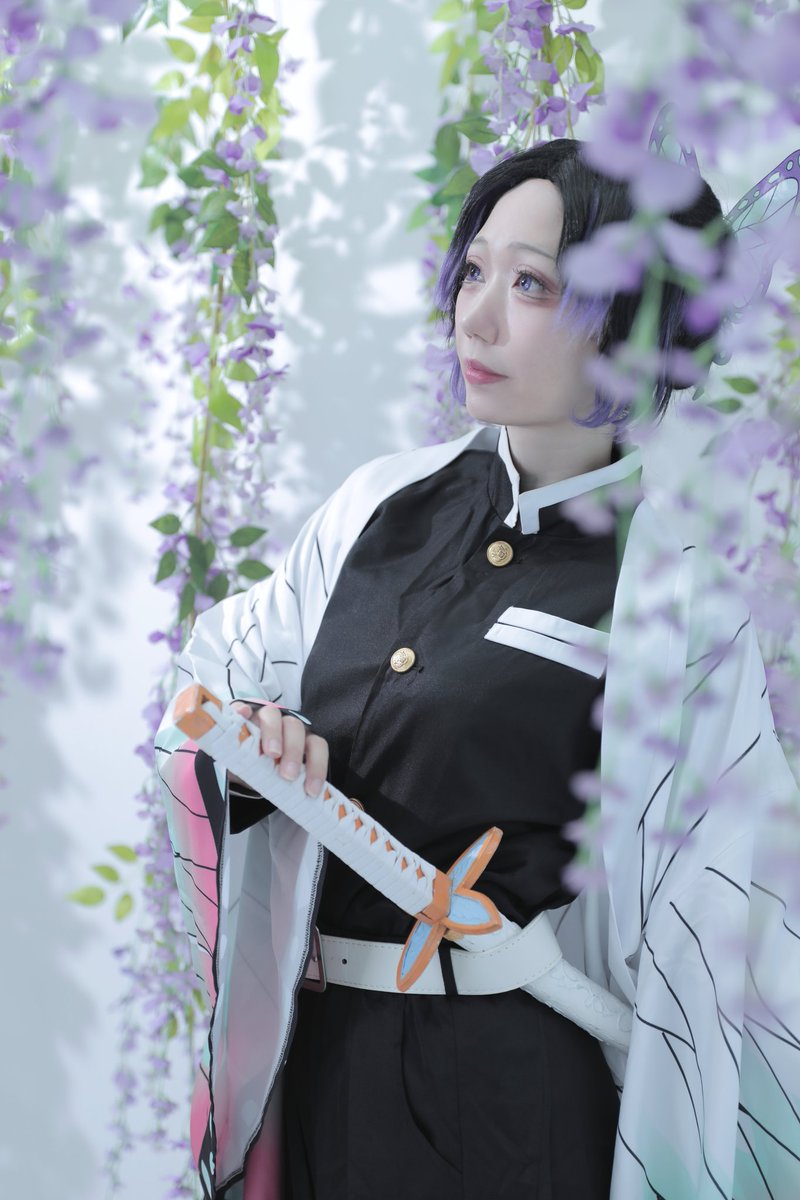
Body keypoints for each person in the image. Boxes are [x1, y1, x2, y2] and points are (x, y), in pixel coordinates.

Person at [155, 139, 800, 1200]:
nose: (477, 317)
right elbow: (219, 678)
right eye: (474, 272)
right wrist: (252, 738)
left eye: (532, 285)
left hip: (509, 1096)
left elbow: (725, 914)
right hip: (316, 1068)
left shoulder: (670, 594)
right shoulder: (373, 508)